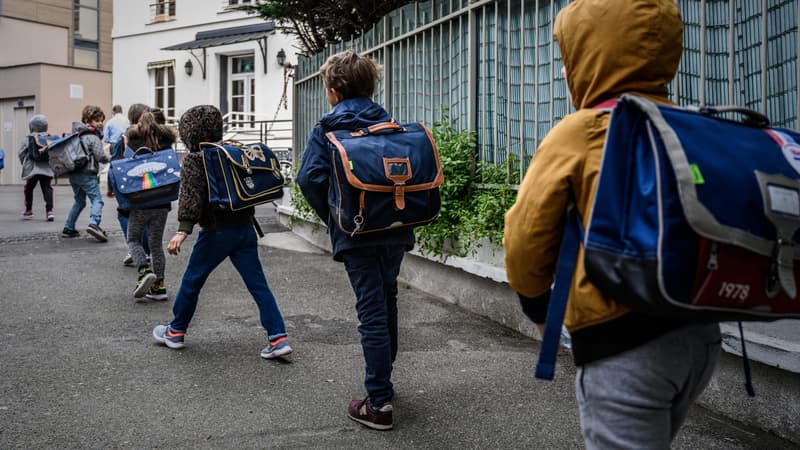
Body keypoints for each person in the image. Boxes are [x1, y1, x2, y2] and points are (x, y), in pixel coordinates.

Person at [502, 1, 722, 448]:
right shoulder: (690, 126)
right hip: (701, 335)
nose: (566, 73)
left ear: (590, 57)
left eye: (571, 57)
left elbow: (524, 238)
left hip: (624, 344)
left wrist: (537, 309)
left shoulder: (583, 130)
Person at [296, 50, 414, 431]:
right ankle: (385, 382)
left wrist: (336, 217)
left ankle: (378, 402)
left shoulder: (328, 129)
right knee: (388, 296)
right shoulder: (389, 123)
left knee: (371, 310)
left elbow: (308, 179)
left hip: (358, 231)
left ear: (333, 91)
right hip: (395, 226)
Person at [152, 105, 292, 360]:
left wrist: (183, 230)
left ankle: (175, 331)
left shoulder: (196, 160)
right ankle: (278, 337)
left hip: (216, 231)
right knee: (258, 285)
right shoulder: (231, 151)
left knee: (192, 280)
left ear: (188, 133)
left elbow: (190, 197)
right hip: (245, 228)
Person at [126, 107, 176, 302]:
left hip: (140, 200)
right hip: (162, 201)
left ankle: (144, 269)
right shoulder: (166, 142)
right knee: (156, 245)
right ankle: (159, 286)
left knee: (133, 239)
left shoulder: (133, 140)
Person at [63, 105, 110, 241]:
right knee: (97, 200)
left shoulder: (75, 135)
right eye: (97, 120)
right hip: (87, 174)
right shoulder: (92, 137)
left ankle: (69, 227)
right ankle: (94, 224)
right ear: (87, 120)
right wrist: (110, 159)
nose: (100, 123)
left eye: (101, 120)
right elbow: (100, 156)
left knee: (79, 201)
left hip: (74, 174)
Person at [113, 103, 151, 266]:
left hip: (129, 182)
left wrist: (111, 186)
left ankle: (135, 249)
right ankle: (147, 250)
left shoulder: (124, 137)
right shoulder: (152, 136)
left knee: (124, 214)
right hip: (150, 181)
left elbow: (115, 162)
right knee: (147, 216)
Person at [18, 115, 55, 221]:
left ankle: (28, 210)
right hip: (47, 168)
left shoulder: (28, 138)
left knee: (28, 188)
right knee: (47, 188)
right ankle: (49, 211)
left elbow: (21, 152)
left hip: (33, 168)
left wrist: (24, 163)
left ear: (32, 126)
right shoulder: (49, 137)